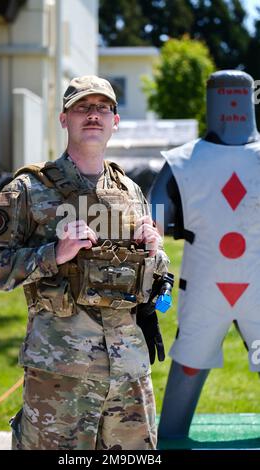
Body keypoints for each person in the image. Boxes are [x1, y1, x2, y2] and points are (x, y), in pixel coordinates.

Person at [0, 75, 169, 450]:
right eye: (82, 107)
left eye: (103, 108)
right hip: (60, 377)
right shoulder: (29, 190)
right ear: (64, 119)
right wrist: (53, 254)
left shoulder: (131, 191)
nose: (93, 115)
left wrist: (156, 254)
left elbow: (152, 281)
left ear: (115, 121)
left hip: (128, 376)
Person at [149, 70, 260, 443]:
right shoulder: (182, 162)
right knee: (191, 362)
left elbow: (154, 218)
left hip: (224, 285)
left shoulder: (183, 162)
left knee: (191, 362)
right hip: (209, 286)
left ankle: (172, 436)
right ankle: (171, 436)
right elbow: (152, 221)